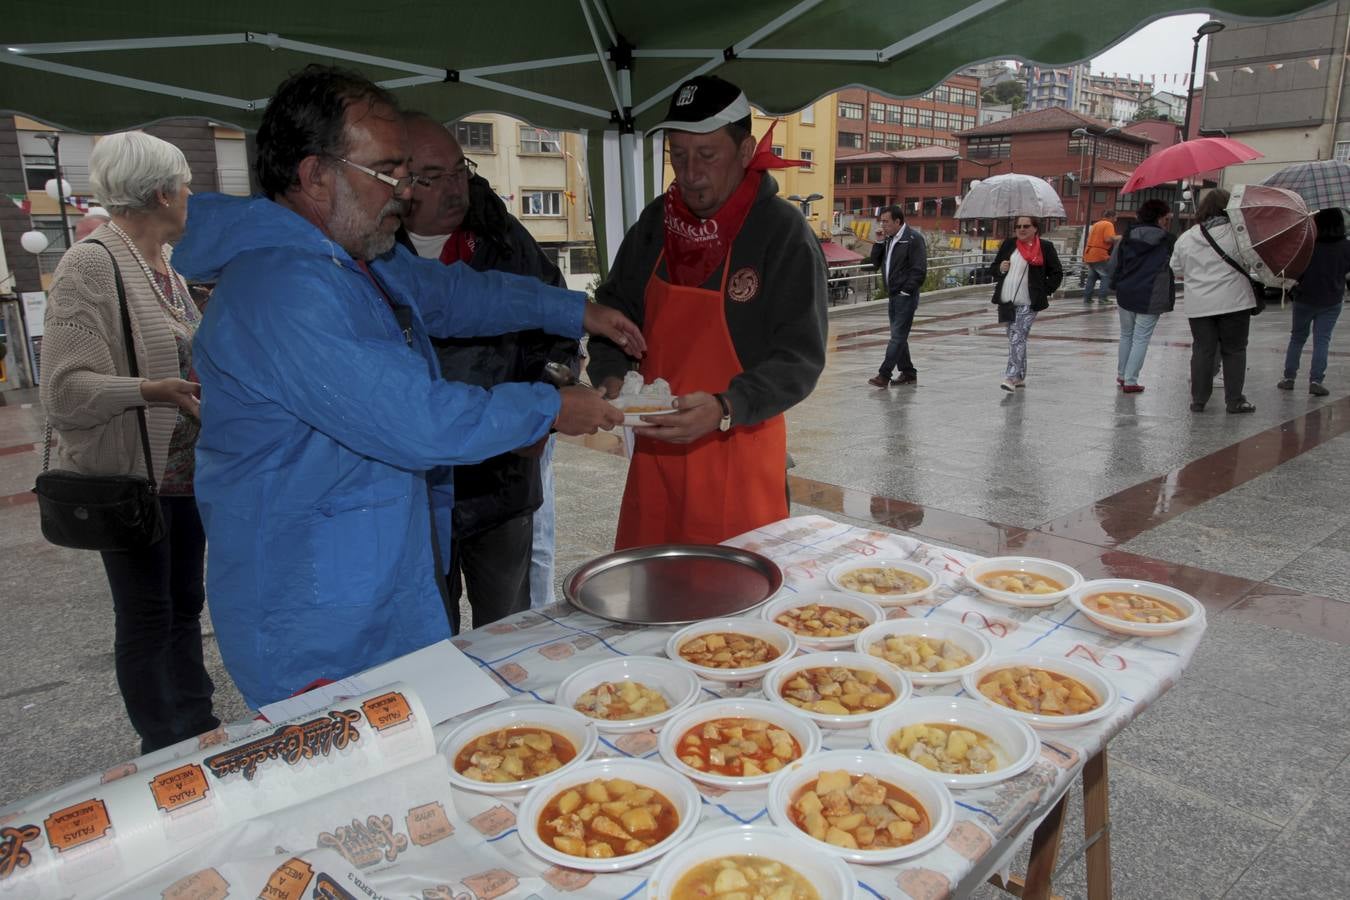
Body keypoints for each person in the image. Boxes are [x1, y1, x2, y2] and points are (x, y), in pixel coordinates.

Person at [170, 66, 644, 708]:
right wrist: (552, 407)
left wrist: (572, 310)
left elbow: (451, 293)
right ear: (315, 176)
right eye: (387, 172)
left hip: (372, 585)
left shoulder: (351, 259)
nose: (402, 192)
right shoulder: (283, 290)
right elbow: (421, 420)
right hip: (318, 618)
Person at [586, 74, 827, 550]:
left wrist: (724, 406)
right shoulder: (657, 223)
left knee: (733, 610)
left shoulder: (781, 233)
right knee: (652, 596)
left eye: (707, 155)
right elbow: (614, 310)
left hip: (739, 453)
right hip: (655, 456)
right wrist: (613, 374)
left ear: (744, 151)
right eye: (678, 155)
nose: (690, 172)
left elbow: (800, 358)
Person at [40, 131, 218, 753]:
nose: (193, 195)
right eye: (187, 185)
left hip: (182, 479)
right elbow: (64, 391)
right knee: (146, 616)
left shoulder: (166, 267)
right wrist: (149, 389)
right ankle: (164, 746)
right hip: (134, 481)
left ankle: (198, 726)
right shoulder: (92, 263)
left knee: (183, 606)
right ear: (163, 191)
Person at [399, 113, 577, 630]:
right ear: (398, 178)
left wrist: (548, 395)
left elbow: (558, 331)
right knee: (431, 640)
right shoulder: (375, 249)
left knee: (509, 632)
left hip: (504, 477)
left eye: (461, 171)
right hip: (418, 483)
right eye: (435, 177)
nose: (457, 190)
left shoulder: (502, 236)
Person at [1170, 189, 1257, 414]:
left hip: (1199, 304)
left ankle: (1198, 400)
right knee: (1234, 350)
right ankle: (1234, 400)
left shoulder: (1187, 237)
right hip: (1235, 302)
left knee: (1202, 350)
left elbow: (1176, 268)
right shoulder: (1240, 233)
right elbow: (1254, 261)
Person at [1280, 208, 1350, 396]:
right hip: (1332, 299)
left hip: (1304, 297)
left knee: (1297, 338)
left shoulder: (1307, 244)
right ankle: (1316, 380)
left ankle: (1289, 378)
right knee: (1322, 340)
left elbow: (1295, 268)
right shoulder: (1346, 246)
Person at [990, 215, 1063, 392]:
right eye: (1018, 226)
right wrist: (1001, 268)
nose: (1021, 229)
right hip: (1007, 300)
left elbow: (1057, 272)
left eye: (1026, 226)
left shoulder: (1045, 247)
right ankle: (1020, 376)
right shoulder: (1009, 244)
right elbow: (993, 268)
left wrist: (1044, 291)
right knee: (1016, 337)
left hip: (1028, 302)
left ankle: (1011, 376)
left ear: (1035, 228)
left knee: (1017, 337)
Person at [1110, 199, 1176, 393]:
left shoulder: (1128, 235)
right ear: (1159, 217)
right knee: (1141, 338)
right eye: (1166, 217)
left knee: (1126, 334)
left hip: (1126, 290)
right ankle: (1131, 380)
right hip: (1151, 293)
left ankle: (1122, 375)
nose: (1167, 221)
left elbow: (1115, 263)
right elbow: (1175, 265)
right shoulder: (1167, 240)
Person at [867, 205, 928, 386]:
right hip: (893, 294)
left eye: (886, 221)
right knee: (898, 334)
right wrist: (878, 242)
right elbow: (875, 263)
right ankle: (908, 372)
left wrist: (906, 290)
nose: (882, 225)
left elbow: (919, 269)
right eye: (882, 221)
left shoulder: (913, 239)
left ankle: (884, 374)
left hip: (905, 295)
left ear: (897, 221)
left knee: (897, 336)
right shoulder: (889, 239)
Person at [1082, 208, 1119, 304]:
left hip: (1089, 253)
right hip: (1099, 254)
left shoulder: (1096, 224)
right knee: (1106, 275)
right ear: (1111, 217)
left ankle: (1087, 298)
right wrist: (1119, 237)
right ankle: (1102, 298)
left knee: (1092, 276)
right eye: (1115, 218)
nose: (1116, 220)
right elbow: (1108, 239)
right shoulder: (1108, 224)